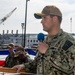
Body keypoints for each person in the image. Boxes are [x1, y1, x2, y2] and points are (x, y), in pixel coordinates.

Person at [12, 5, 75, 75]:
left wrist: (47, 52)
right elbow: (38, 63)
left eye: (44, 18)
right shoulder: (45, 41)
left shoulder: (68, 41)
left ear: (54, 19)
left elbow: (70, 67)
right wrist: (24, 66)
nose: (41, 21)